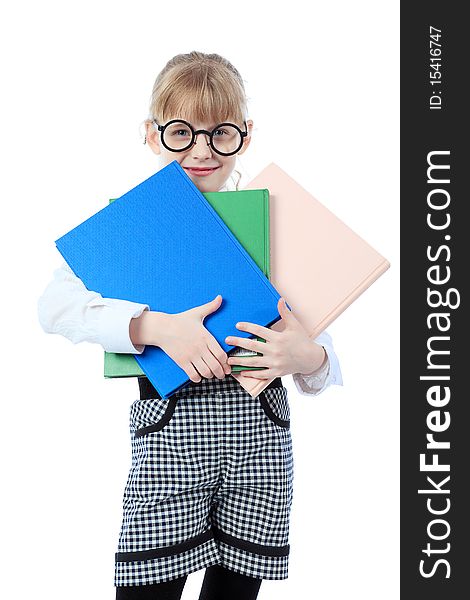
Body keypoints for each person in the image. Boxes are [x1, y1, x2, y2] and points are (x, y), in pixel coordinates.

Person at [37, 51, 343, 600]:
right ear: (153, 135)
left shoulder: (279, 222)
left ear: (245, 136)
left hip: (262, 454)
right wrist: (151, 327)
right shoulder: (131, 227)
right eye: (182, 132)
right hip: (168, 452)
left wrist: (309, 358)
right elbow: (54, 306)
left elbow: (320, 339)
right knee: (146, 586)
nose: (202, 151)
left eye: (220, 133)